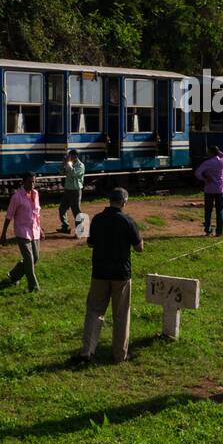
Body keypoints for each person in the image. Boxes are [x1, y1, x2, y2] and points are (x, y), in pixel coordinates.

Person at [76, 188, 143, 364]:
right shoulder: (128, 221)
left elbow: (90, 244)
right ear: (124, 202)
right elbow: (139, 248)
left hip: (99, 272)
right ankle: (120, 355)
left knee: (94, 311)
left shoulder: (97, 219)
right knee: (121, 315)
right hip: (121, 274)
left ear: (109, 200)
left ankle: (87, 352)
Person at [0, 172, 42, 291]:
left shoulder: (36, 194)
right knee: (29, 259)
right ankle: (33, 287)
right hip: (22, 232)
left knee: (36, 258)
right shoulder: (17, 197)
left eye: (34, 181)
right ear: (23, 182)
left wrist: (41, 228)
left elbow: (37, 214)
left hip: (35, 231)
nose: (32, 184)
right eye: (30, 181)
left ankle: (14, 275)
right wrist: (3, 234)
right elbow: (9, 216)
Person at [194, 146, 223, 236]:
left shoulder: (207, 163)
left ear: (212, 153)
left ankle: (208, 230)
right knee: (219, 211)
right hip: (220, 190)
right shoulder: (222, 162)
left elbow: (197, 173)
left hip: (209, 189)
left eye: (209, 152)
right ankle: (219, 231)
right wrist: (219, 151)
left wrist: (204, 179)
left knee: (208, 210)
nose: (207, 153)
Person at [57, 149, 85, 234]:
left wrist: (68, 163)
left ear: (75, 156)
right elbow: (61, 172)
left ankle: (80, 230)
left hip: (75, 191)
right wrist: (63, 163)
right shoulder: (69, 163)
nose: (69, 157)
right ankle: (65, 227)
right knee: (62, 208)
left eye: (71, 156)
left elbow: (73, 173)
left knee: (76, 211)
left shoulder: (80, 165)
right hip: (67, 190)